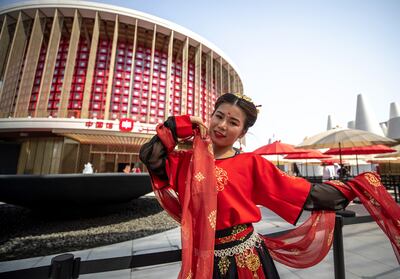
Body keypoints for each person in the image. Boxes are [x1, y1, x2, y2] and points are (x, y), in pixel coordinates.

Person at [139, 93, 400, 279]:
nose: (221, 125)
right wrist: (180, 124)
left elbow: (303, 192)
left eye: (233, 122)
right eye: (218, 116)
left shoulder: (252, 164)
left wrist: (355, 186)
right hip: (200, 259)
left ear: (242, 133)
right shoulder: (185, 162)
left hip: (246, 259)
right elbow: (150, 156)